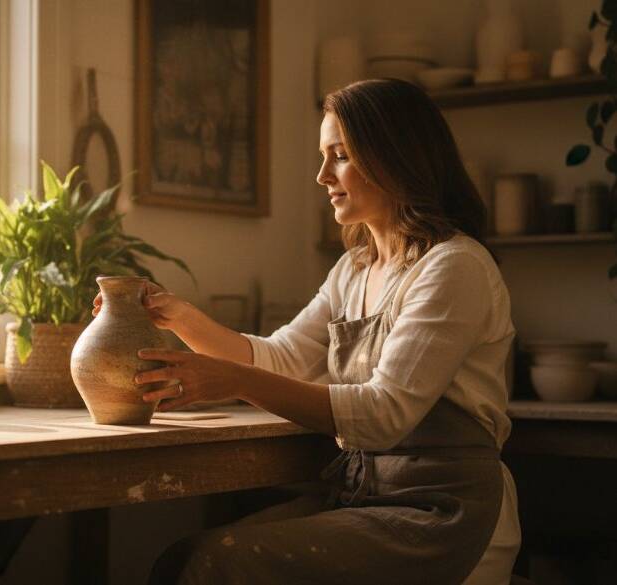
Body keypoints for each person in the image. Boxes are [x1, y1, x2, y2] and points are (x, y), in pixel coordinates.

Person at [94, 78, 520, 585]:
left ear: (394, 156)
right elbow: (281, 357)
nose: (322, 175)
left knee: (218, 564)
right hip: (367, 497)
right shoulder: (354, 270)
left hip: (443, 514)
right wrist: (180, 316)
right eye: (324, 156)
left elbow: (384, 415)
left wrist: (233, 381)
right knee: (183, 560)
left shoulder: (454, 266)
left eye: (339, 155)